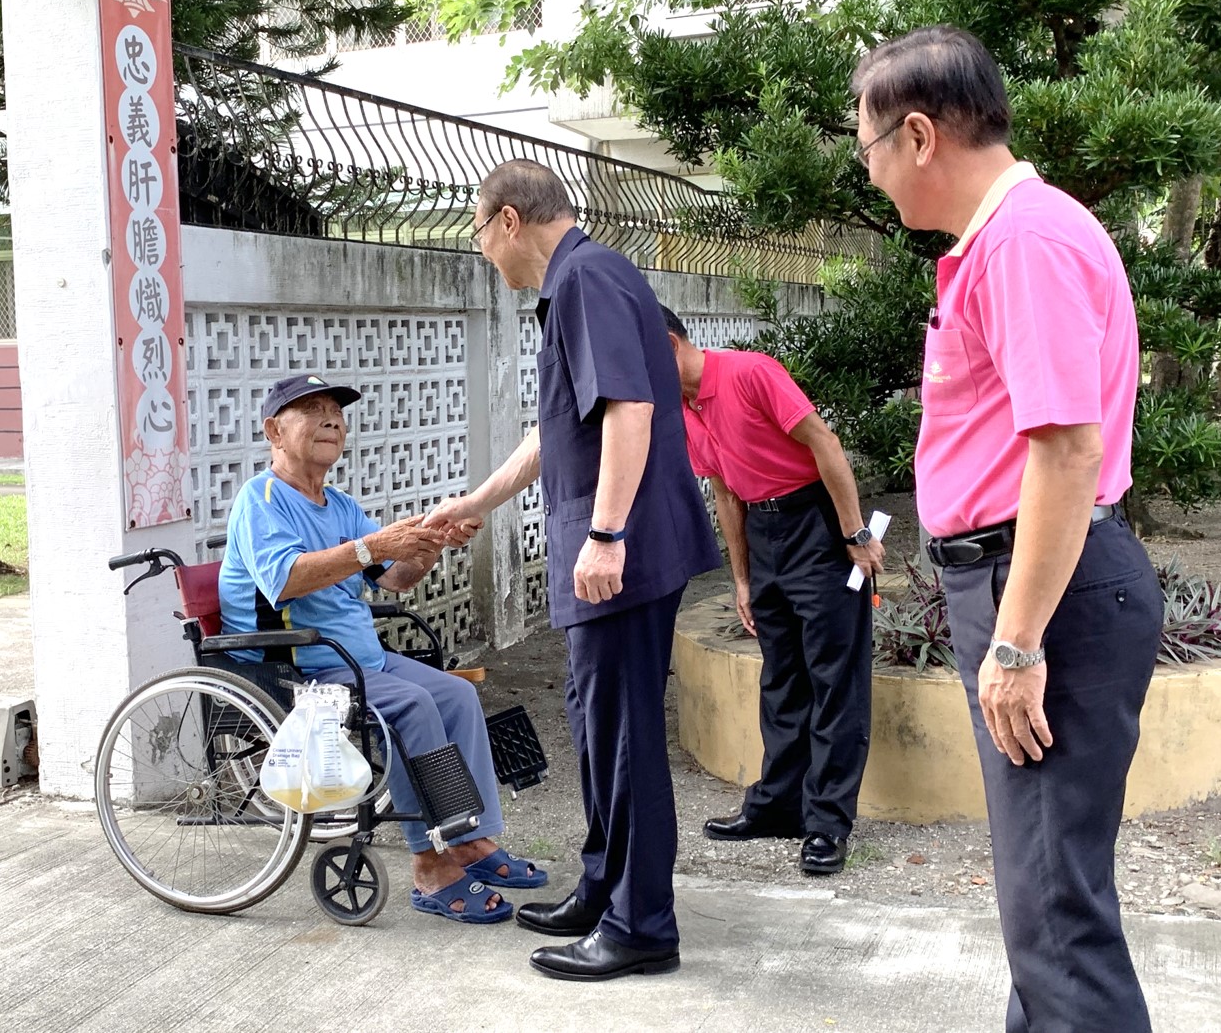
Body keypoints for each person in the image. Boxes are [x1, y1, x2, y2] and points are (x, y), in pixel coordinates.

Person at [852, 26, 1163, 1032]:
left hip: (1047, 597)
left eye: (869, 154)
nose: (874, 178)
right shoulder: (1003, 239)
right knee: (1042, 903)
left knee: (1059, 919)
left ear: (918, 135)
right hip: (1031, 584)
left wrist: (1019, 639)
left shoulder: (1023, 239)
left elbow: (1067, 449)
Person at [425, 159, 721, 981]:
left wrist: (606, 533)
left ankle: (640, 924)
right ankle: (603, 887)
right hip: (620, 553)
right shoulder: (590, 280)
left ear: (509, 221)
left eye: (480, 235)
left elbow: (632, 409)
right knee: (600, 727)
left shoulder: (585, 281)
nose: (485, 252)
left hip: (621, 559)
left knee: (623, 740)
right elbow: (560, 428)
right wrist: (479, 499)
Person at [217, 373, 548, 926]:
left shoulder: (341, 504)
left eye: (337, 413)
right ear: (274, 430)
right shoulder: (262, 500)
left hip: (357, 658)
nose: (332, 420)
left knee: (456, 697)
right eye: (314, 410)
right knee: (412, 707)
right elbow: (286, 580)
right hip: (298, 662)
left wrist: (433, 543)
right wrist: (374, 544)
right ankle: (430, 865)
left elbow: (394, 579)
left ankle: (471, 840)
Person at [660, 306, 883, 875]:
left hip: (815, 524)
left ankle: (828, 822)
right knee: (781, 678)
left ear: (665, 343)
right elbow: (726, 492)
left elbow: (825, 443)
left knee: (833, 679)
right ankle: (779, 805)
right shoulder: (685, 409)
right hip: (764, 535)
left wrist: (854, 533)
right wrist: (742, 578)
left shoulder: (750, 372)